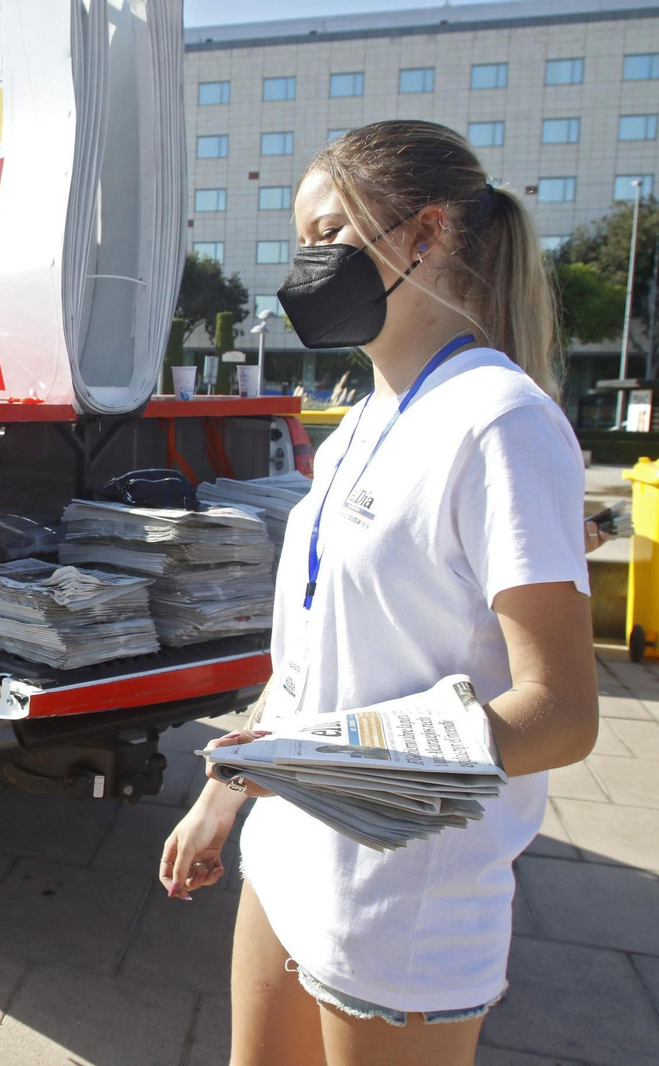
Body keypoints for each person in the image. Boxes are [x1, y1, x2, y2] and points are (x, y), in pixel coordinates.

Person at [159, 120, 598, 1066]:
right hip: (288, 853)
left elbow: (560, 714)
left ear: (424, 235)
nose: (303, 267)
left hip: (404, 898)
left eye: (325, 239)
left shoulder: (501, 423)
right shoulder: (361, 417)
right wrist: (226, 794)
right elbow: (312, 656)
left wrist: (347, 761)